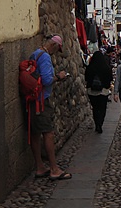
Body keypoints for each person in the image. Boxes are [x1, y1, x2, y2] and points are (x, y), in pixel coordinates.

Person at [29, 35, 72, 181]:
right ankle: (54, 169)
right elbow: (47, 80)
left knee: (35, 133)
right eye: (56, 49)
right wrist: (59, 76)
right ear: (53, 45)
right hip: (41, 101)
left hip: (32, 99)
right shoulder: (45, 57)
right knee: (48, 133)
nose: (55, 53)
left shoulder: (35, 53)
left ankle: (40, 166)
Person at [85, 50, 113, 134]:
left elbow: (86, 78)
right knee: (102, 108)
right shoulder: (106, 68)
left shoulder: (90, 68)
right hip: (103, 91)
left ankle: (97, 123)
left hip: (92, 92)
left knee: (95, 108)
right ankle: (100, 123)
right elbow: (110, 79)